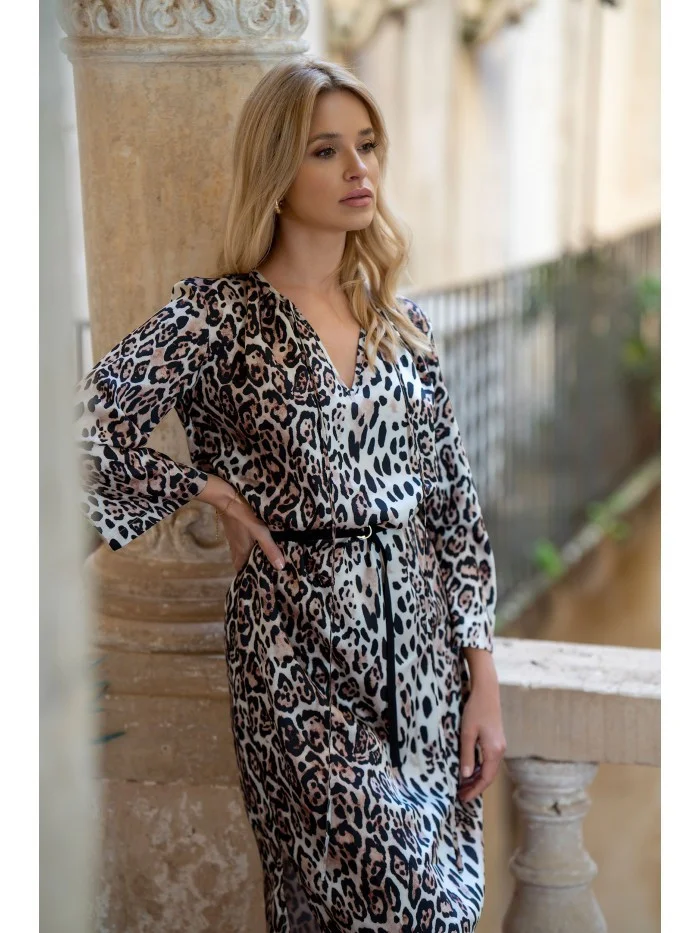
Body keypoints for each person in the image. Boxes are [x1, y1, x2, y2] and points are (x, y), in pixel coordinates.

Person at [74, 55, 506, 933]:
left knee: (433, 908)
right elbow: (85, 429)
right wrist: (207, 488)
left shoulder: (402, 323)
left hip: (421, 665)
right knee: (403, 909)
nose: (358, 169)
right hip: (295, 659)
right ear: (276, 169)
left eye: (368, 146)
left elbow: (455, 514)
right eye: (325, 150)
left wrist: (483, 684)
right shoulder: (219, 315)